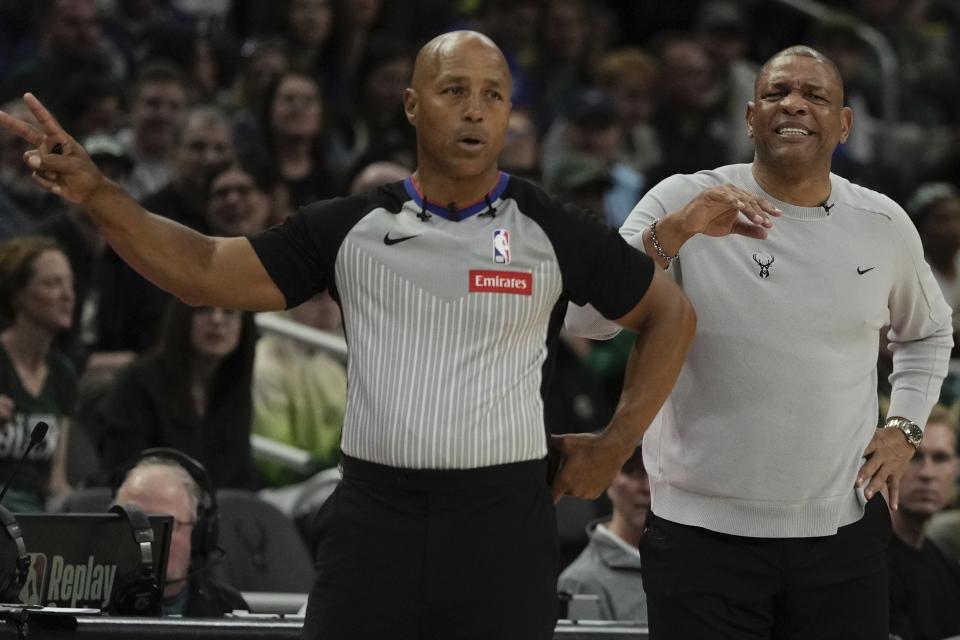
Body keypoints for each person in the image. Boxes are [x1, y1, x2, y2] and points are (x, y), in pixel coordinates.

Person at [0, 30, 695, 640]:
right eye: (455, 89)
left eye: (494, 94)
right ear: (413, 105)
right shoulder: (352, 225)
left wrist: (616, 444)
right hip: (374, 518)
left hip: (501, 523)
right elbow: (206, 269)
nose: (477, 108)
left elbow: (671, 315)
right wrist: (99, 196)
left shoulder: (550, 227)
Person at [566, 45, 953, 639]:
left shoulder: (882, 222)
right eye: (776, 93)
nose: (793, 104)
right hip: (700, 538)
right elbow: (587, 320)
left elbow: (928, 331)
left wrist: (904, 428)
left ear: (844, 124)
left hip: (841, 537)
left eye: (815, 95)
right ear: (750, 117)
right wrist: (677, 232)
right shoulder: (681, 198)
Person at [97, 299, 260, 490]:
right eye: (203, 309)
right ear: (182, 317)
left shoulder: (235, 388)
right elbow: (122, 472)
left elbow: (239, 475)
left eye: (229, 312)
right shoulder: (139, 380)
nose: (217, 320)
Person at [114, 451, 249, 617]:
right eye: (135, 523)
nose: (148, 538)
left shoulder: (228, 608)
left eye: (166, 524)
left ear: (198, 533)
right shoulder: (85, 609)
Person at [0, 236, 75, 511]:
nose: (67, 295)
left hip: (34, 516)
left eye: (70, 283)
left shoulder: (62, 374)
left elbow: (55, 481)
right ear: (18, 294)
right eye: (52, 283)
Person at [888, 405, 960, 640]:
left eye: (940, 458)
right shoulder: (863, 563)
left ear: (955, 468)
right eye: (914, 457)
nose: (927, 473)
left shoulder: (947, 567)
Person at [558, 445, 649, 622]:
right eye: (630, 471)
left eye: (655, 472)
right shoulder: (580, 583)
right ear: (607, 479)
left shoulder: (687, 566)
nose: (647, 487)